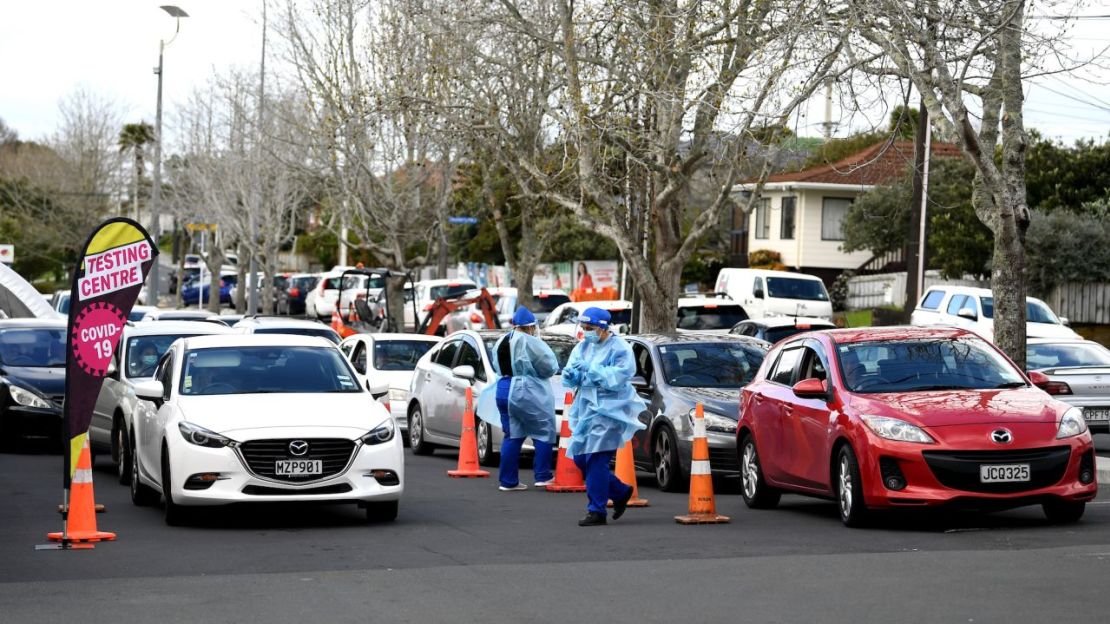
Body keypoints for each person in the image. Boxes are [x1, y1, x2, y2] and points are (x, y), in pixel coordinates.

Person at [562, 307, 646, 526]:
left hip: (611, 408)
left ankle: (597, 511)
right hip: (587, 408)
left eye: (589, 328)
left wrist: (593, 369)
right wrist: (572, 375)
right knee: (581, 458)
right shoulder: (583, 347)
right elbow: (572, 372)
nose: (585, 332)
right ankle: (619, 491)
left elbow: (619, 376)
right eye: (583, 327)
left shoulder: (620, 348)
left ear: (602, 327)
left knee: (596, 458)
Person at [476, 306, 559, 491]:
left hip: (504, 388)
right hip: (526, 390)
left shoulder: (501, 341)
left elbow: (497, 366)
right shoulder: (530, 341)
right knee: (544, 430)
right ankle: (543, 475)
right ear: (530, 326)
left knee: (512, 435)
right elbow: (549, 366)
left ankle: (508, 481)